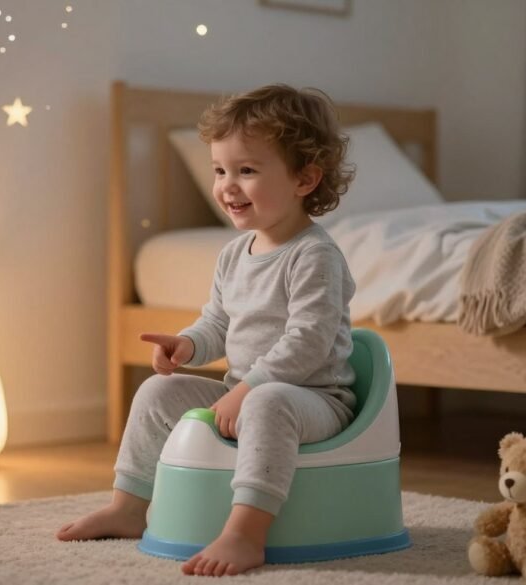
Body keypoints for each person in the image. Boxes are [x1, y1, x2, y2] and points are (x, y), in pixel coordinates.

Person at [57, 84, 358, 577]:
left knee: (267, 401)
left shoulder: (314, 256)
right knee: (157, 391)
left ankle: (245, 533)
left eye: (247, 171)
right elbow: (219, 321)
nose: (227, 186)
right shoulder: (232, 254)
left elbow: (309, 341)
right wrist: (189, 343)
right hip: (243, 392)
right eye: (220, 170)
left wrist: (249, 388)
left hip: (315, 399)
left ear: (305, 179)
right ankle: (129, 507)